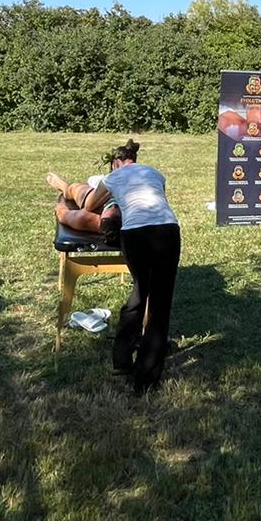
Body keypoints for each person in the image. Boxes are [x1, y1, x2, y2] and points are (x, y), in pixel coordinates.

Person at [83, 142, 180, 394]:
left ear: (116, 162)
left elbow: (90, 205)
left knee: (139, 293)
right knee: (160, 305)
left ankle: (121, 360)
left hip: (135, 235)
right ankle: (146, 379)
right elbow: (158, 202)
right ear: (135, 159)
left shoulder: (112, 176)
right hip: (167, 230)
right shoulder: (156, 173)